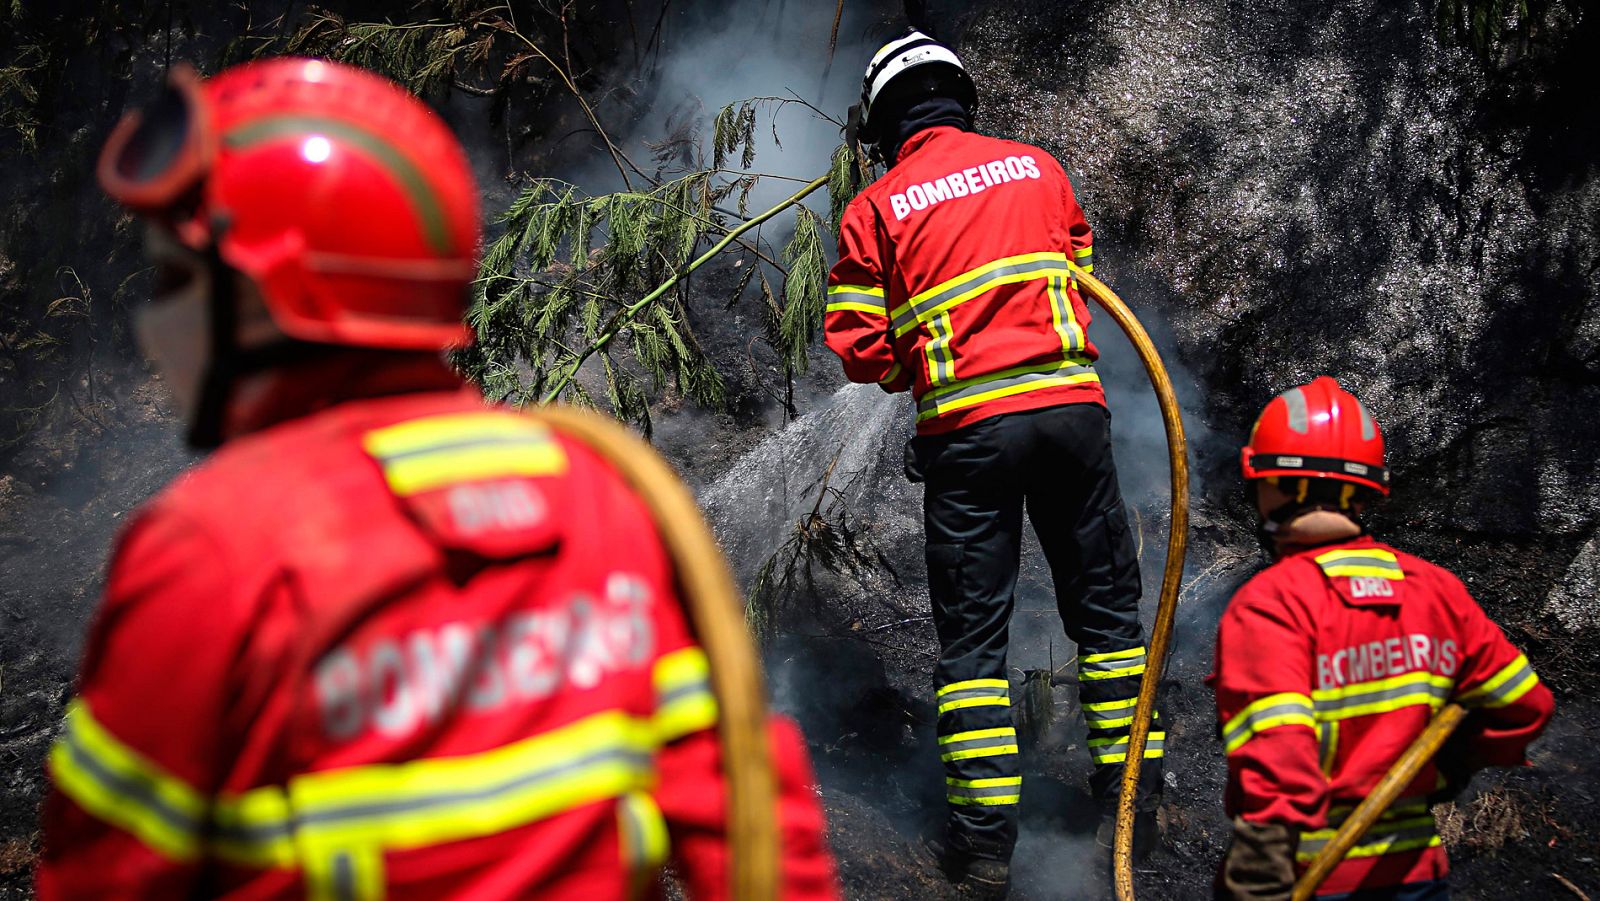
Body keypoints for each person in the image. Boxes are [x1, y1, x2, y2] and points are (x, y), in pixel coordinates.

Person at [36, 57, 839, 900]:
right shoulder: (600, 496)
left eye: (176, 279)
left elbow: (99, 878)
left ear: (269, 292)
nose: (155, 319)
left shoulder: (212, 553)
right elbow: (752, 822)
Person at [824, 29, 1164, 895]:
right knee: (1110, 618)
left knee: (974, 644)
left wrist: (929, 365)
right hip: (1071, 421)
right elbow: (1079, 275)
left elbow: (858, 344)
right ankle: (1134, 803)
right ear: (960, 97)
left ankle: (981, 850)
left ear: (884, 124)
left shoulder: (876, 207)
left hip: (970, 437)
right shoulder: (1036, 167)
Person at [1211, 376, 1555, 900]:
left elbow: (1278, 752)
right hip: (1418, 876)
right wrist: (1451, 763)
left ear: (1272, 485)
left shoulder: (1271, 603)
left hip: (1314, 877)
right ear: (1368, 489)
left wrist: (1258, 875)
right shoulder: (1436, 591)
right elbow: (1525, 706)